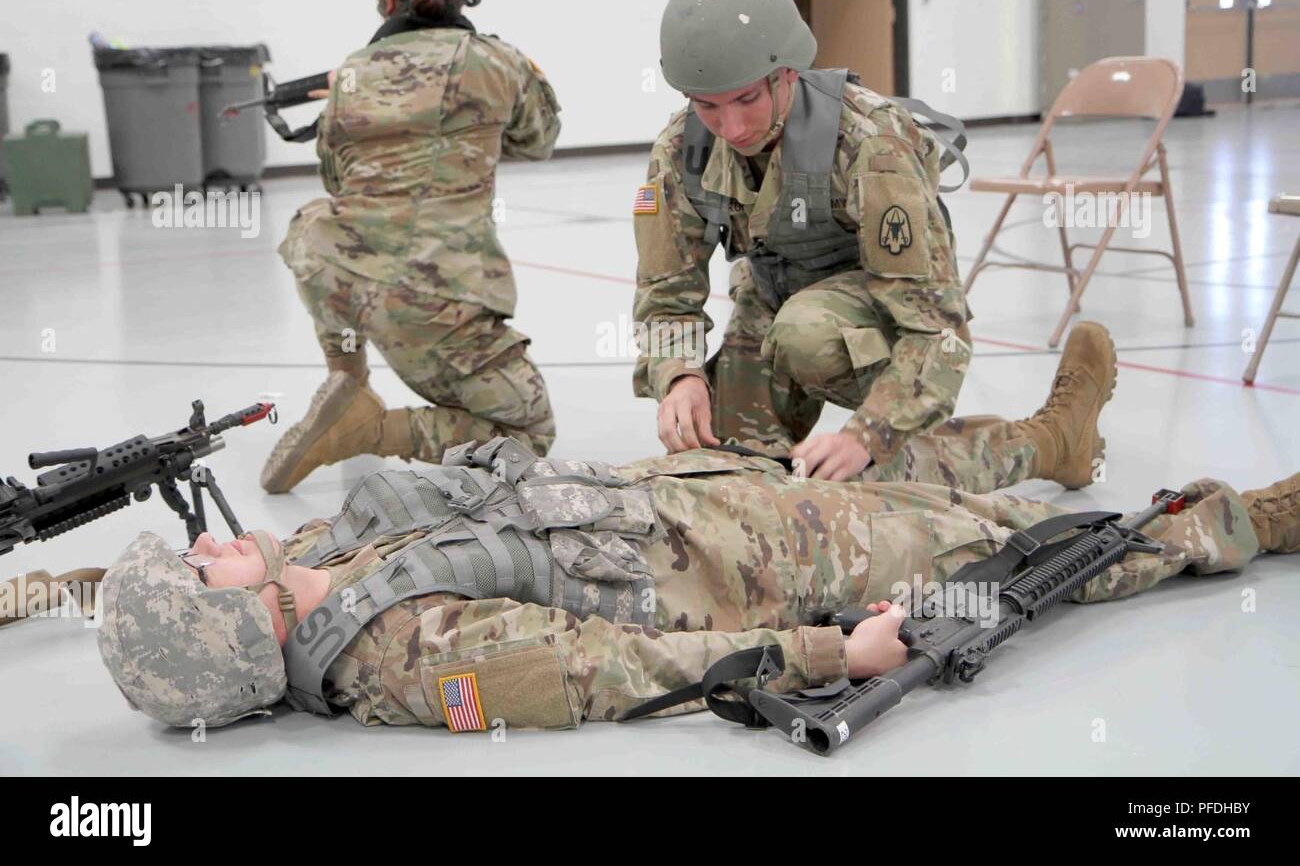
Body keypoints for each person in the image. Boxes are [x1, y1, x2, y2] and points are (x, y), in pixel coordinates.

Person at [96, 340, 1300, 733]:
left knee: (927, 484)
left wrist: (40, 579)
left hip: (686, 495)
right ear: (234, 628)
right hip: (747, 568)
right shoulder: (414, 655)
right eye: (194, 572)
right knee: (1010, 560)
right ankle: (1237, 523)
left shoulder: (311, 567)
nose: (205, 544)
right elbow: (619, 672)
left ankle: (1051, 435)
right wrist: (837, 658)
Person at [636, 0, 984, 482]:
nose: (731, 127)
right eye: (707, 106)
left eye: (748, 99)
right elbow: (665, 296)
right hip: (769, 305)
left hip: (865, 323)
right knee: (728, 472)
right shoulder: (681, 151)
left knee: (865, 467)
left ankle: (1047, 440)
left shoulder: (869, 145)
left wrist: (867, 436)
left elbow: (938, 330)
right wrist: (679, 376)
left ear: (789, 74)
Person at [262, 0, 561, 494]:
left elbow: (334, 176)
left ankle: (346, 379)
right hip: (432, 300)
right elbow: (537, 142)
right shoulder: (498, 62)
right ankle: (366, 429)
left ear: (385, 0)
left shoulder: (349, 74)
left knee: (321, 230)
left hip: (336, 277)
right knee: (526, 431)